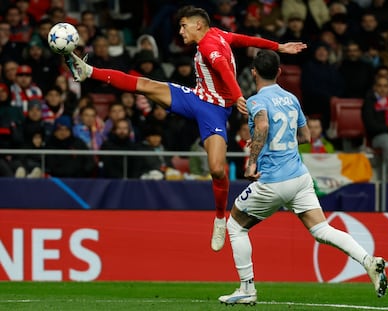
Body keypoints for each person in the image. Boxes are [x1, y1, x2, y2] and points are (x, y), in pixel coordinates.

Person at [65, 5, 307, 252]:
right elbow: (245, 40)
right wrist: (278, 46)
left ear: (198, 25)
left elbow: (223, 66)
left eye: (183, 25)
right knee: (147, 85)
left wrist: (236, 97)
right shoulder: (220, 34)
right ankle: (88, 71)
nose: (180, 31)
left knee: (216, 169)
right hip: (195, 98)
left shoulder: (208, 46)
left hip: (214, 110)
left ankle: (220, 218)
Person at [218, 50, 388, 305]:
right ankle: (368, 261)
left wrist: (252, 161)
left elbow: (263, 125)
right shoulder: (292, 98)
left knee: (235, 226)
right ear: (279, 72)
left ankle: (247, 288)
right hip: (299, 177)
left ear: (253, 72)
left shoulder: (255, 101)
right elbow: (306, 136)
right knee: (321, 229)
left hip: (273, 181)